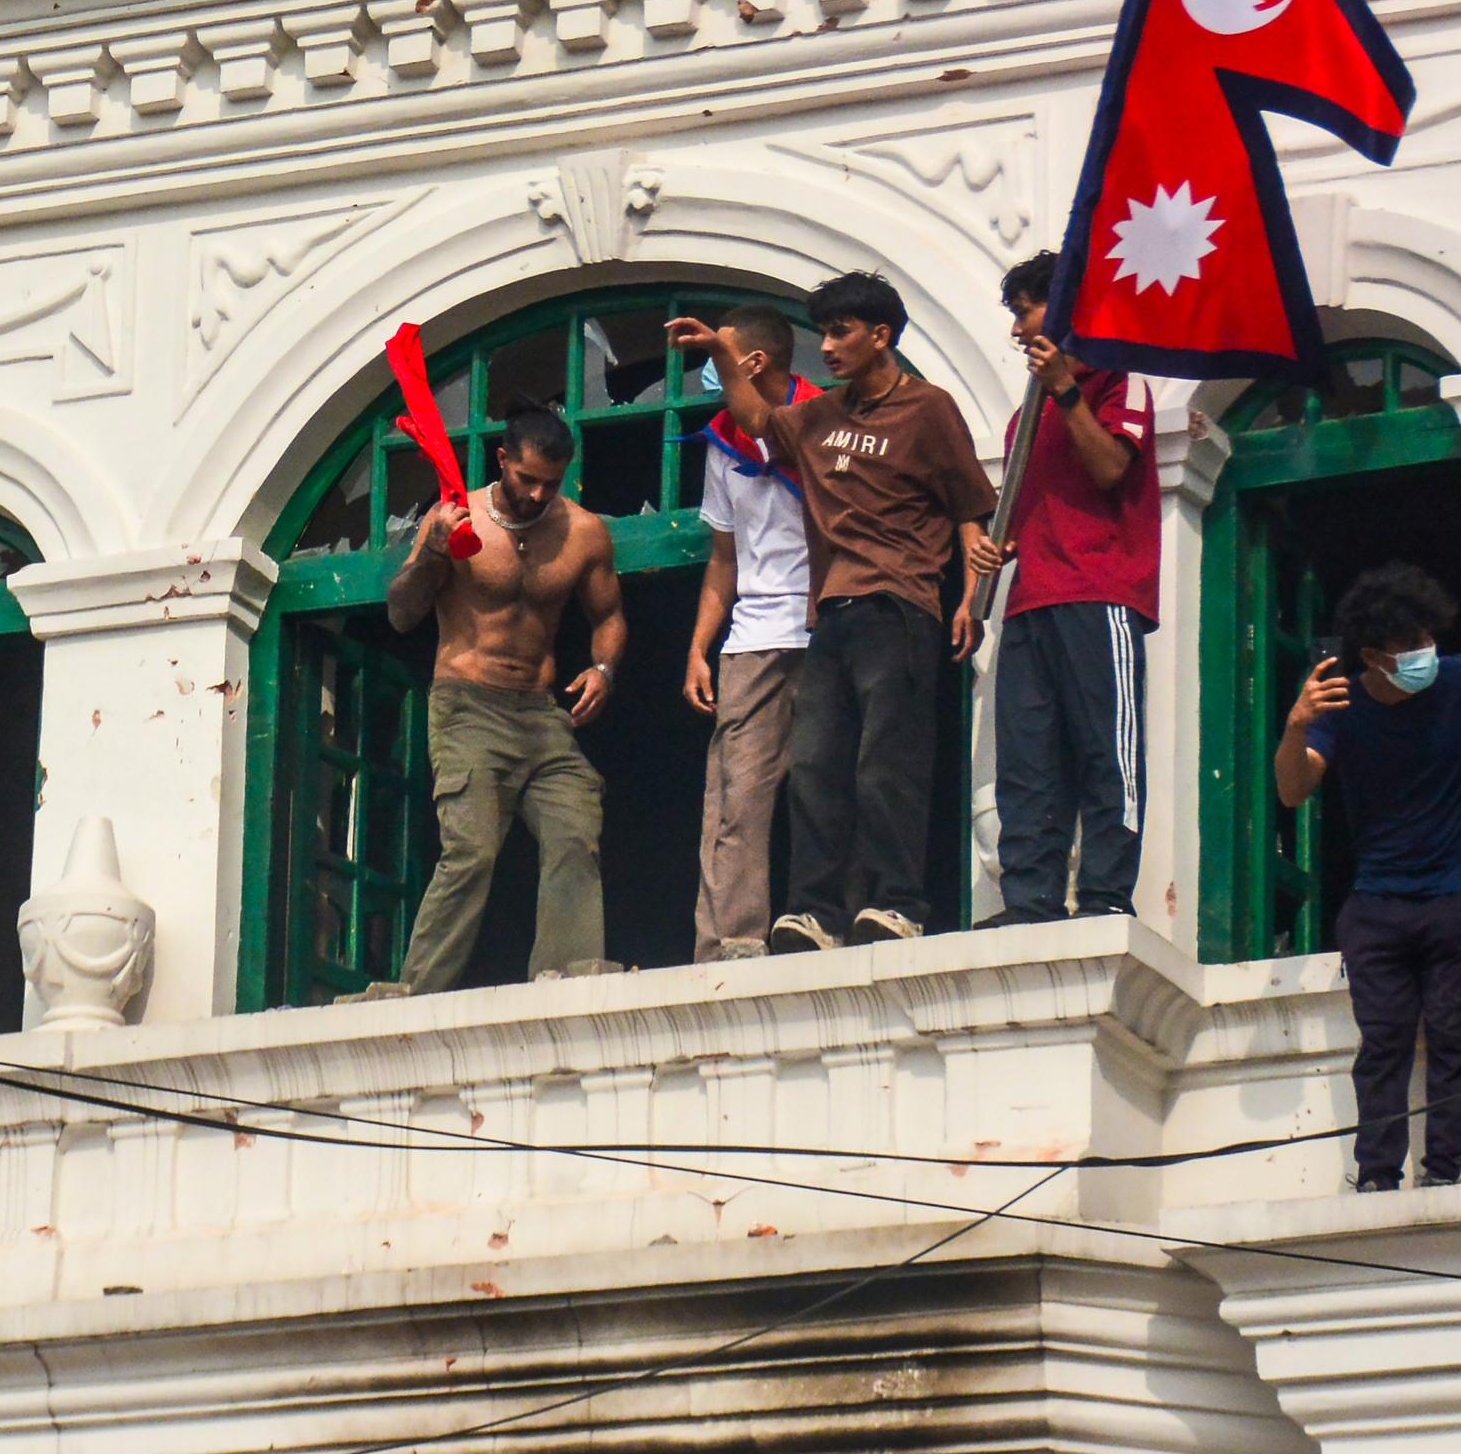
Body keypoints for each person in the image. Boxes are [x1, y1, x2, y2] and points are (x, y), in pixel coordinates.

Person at [668, 274, 995, 951]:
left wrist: (970, 598)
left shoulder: (928, 410)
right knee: (817, 767)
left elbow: (968, 504)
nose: (830, 345)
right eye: (824, 331)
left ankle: (895, 901)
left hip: (901, 602)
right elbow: (757, 423)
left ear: (882, 336)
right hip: (832, 612)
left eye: (843, 331)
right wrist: (726, 356)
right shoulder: (825, 414)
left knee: (887, 763)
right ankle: (813, 911)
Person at [1273, 563, 1461, 1192]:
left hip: (1455, 898)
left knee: (1458, 1042)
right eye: (1411, 647)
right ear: (1372, 655)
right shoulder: (1341, 708)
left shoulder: (1458, 679)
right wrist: (1294, 727)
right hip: (1374, 907)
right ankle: (1376, 1177)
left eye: (1429, 639)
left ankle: (1445, 1173)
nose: (1427, 654)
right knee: (1383, 1047)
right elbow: (1293, 790)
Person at [367, 404, 627, 997]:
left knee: (575, 827)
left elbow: (609, 615)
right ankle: (421, 988)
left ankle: (567, 976)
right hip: (468, 705)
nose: (536, 495)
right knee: (473, 849)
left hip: (540, 713)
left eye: (550, 484)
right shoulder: (457, 519)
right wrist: (433, 550)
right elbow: (402, 614)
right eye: (526, 479)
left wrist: (604, 669)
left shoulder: (584, 531)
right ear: (502, 460)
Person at [975, 251, 1162, 924]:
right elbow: (1025, 517)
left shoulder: (1118, 380)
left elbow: (1112, 466)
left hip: (1100, 591)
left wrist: (1066, 391)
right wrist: (992, 543)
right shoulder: (1023, 419)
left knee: (1107, 750)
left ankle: (1109, 895)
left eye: (1026, 310)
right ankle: (1031, 898)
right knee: (1028, 759)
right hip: (1032, 601)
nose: (1019, 329)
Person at [684, 302, 818, 961]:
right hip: (750, 639)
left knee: (831, 787)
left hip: (826, 628)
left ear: (753, 362)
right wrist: (697, 650)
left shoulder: (825, 420)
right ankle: (730, 943)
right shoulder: (720, 441)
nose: (709, 369)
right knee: (737, 799)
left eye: (717, 355)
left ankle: (833, 924)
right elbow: (722, 558)